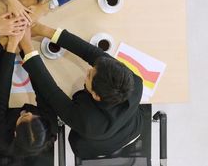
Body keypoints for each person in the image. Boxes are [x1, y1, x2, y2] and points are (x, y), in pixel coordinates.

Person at [20, 24, 143, 158]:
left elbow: (51, 92)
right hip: (132, 124)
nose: (88, 69)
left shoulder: (86, 121)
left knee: (77, 140)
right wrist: (41, 29)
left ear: (95, 95)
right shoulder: (133, 81)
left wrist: (25, 44)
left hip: (97, 142)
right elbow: (92, 53)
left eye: (89, 76)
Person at [0, 29, 57, 162]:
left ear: (15, 133)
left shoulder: (0, 135)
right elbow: (41, 89)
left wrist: (10, 50)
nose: (28, 113)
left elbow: (0, 97)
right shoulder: (49, 126)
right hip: (9, 118)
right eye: (33, 115)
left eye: (23, 118)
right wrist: (24, 49)